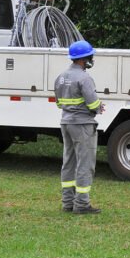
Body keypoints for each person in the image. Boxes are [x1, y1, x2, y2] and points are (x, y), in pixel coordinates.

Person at [56, 40, 104, 214]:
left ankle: (67, 202)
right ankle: (82, 204)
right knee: (85, 163)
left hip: (66, 122)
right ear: (84, 59)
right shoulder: (85, 78)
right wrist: (99, 107)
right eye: (90, 57)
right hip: (82, 124)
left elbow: (59, 103)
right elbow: (92, 103)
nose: (91, 60)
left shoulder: (61, 77)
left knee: (68, 162)